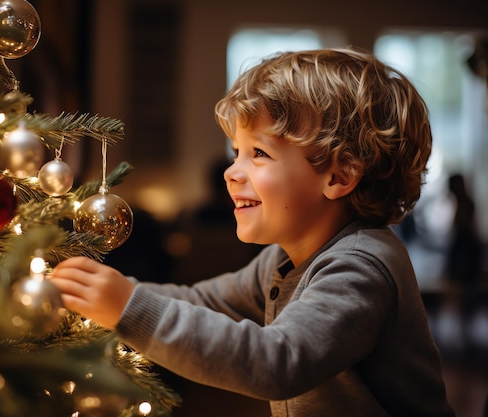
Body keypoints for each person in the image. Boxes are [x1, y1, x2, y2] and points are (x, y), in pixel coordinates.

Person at [49, 48, 455, 417]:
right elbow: (203, 302)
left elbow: (277, 363)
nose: (231, 172)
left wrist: (129, 307)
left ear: (340, 174)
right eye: (236, 152)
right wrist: (107, 292)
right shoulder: (282, 261)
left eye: (259, 153)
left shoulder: (361, 268)